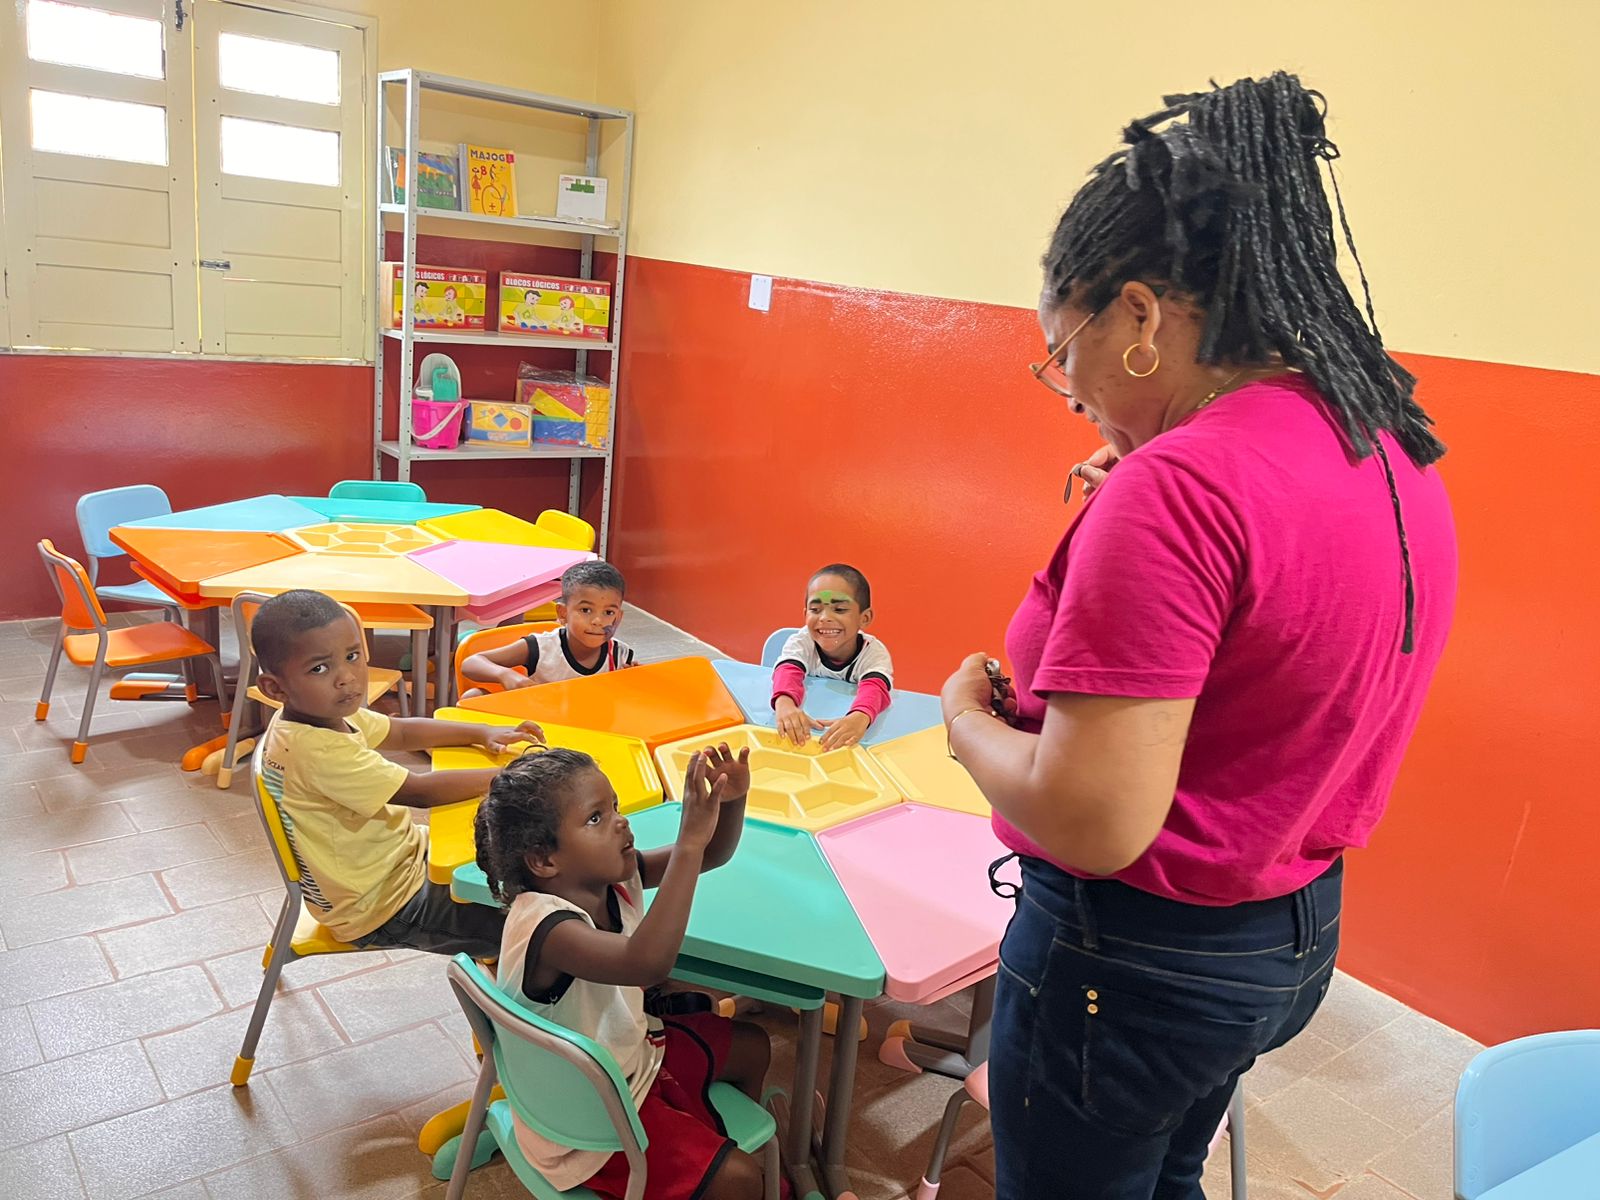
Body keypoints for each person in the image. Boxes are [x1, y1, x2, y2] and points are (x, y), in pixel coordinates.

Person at [940, 72, 1457, 1200]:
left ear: (1138, 316)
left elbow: (1095, 820)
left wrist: (965, 720)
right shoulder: (1382, 443)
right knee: (1168, 1176)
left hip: (1130, 962)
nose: (1063, 390)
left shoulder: (1178, 490)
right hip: (1283, 937)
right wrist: (1153, 469)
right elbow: (1273, 647)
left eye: (1060, 350)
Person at [475, 745, 783, 1200]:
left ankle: (705, 1153)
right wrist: (689, 844)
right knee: (739, 1180)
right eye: (595, 818)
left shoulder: (611, 875)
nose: (620, 821)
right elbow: (648, 962)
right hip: (586, 1119)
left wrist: (731, 800)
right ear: (544, 860)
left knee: (753, 1046)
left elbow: (711, 854)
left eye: (615, 806)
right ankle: (710, 1174)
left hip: (629, 1061)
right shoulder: (548, 928)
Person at [251, 589, 545, 958]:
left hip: (398, 862)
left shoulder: (320, 714)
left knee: (525, 863)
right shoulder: (313, 749)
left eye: (352, 656)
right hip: (384, 906)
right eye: (319, 668)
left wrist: (481, 732)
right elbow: (419, 791)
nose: (347, 678)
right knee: (537, 933)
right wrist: (512, 775)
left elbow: (402, 732)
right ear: (275, 688)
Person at [460, 561, 636, 698]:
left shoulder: (620, 654)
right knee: (473, 696)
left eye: (608, 612)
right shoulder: (542, 647)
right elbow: (471, 663)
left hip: (591, 727)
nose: (597, 621)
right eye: (585, 610)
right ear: (563, 613)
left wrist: (636, 679)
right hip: (541, 727)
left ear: (619, 617)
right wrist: (505, 675)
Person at [769, 564, 893, 750]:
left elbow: (875, 687)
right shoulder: (802, 641)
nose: (824, 618)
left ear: (864, 618)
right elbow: (787, 670)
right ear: (805, 614)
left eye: (840, 609)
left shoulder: (873, 652)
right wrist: (784, 703)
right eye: (815, 609)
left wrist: (861, 715)